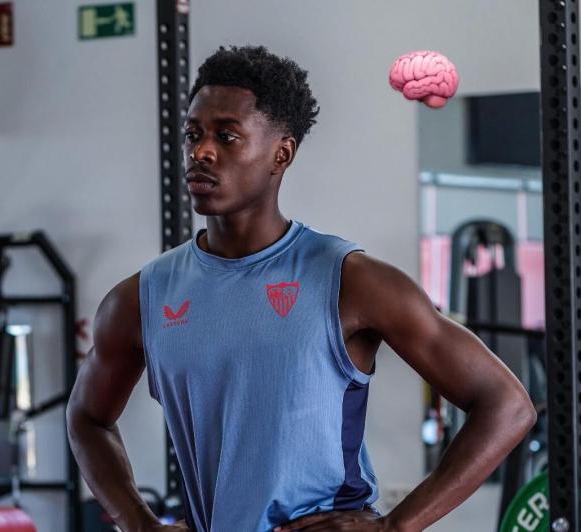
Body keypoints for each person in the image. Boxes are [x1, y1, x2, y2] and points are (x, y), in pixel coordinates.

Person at [66, 45, 537, 532]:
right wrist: (139, 524)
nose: (201, 151)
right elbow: (87, 418)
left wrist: (393, 528)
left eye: (227, 136)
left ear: (281, 153)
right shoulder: (141, 298)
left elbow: (506, 405)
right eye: (193, 134)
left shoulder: (351, 281)